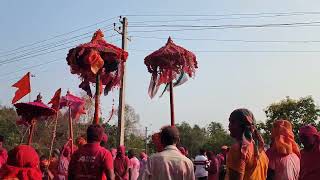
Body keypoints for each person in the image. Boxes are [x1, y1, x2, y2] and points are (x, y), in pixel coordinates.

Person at [226, 108, 268, 180]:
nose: (229, 126)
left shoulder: (239, 149)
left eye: (232, 122)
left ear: (242, 125)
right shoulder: (260, 150)